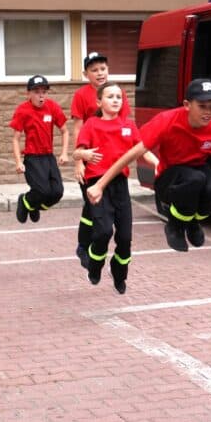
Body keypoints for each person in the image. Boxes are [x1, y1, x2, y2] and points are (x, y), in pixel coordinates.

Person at [86, 78, 211, 252]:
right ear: (187, 105)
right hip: (169, 178)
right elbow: (131, 154)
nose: (208, 112)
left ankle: (193, 221)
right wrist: (100, 185)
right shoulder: (166, 121)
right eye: (202, 106)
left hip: (196, 171)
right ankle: (175, 225)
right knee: (195, 179)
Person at [73, 82, 158, 293]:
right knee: (102, 232)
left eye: (119, 97)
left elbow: (143, 150)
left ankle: (119, 272)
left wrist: (158, 164)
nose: (115, 100)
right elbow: (77, 153)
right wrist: (83, 155)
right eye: (110, 96)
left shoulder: (129, 126)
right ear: (99, 102)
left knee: (125, 238)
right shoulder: (91, 124)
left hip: (120, 186)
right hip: (97, 184)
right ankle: (95, 266)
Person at [71, 52, 133, 267]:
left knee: (99, 209)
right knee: (92, 205)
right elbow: (78, 127)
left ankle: (93, 246)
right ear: (86, 74)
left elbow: (124, 125)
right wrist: (79, 161)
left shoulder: (116, 92)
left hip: (113, 162)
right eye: (94, 70)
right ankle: (83, 245)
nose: (100, 73)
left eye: (103, 69)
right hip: (91, 158)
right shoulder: (80, 95)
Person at [10, 75, 69, 224]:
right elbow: (16, 139)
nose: (41, 95)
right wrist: (18, 162)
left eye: (44, 91)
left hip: (48, 157)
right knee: (42, 191)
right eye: (36, 91)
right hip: (32, 158)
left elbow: (65, 131)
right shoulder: (23, 110)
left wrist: (64, 153)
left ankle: (33, 205)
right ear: (28, 93)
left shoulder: (53, 107)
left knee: (57, 192)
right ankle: (25, 201)